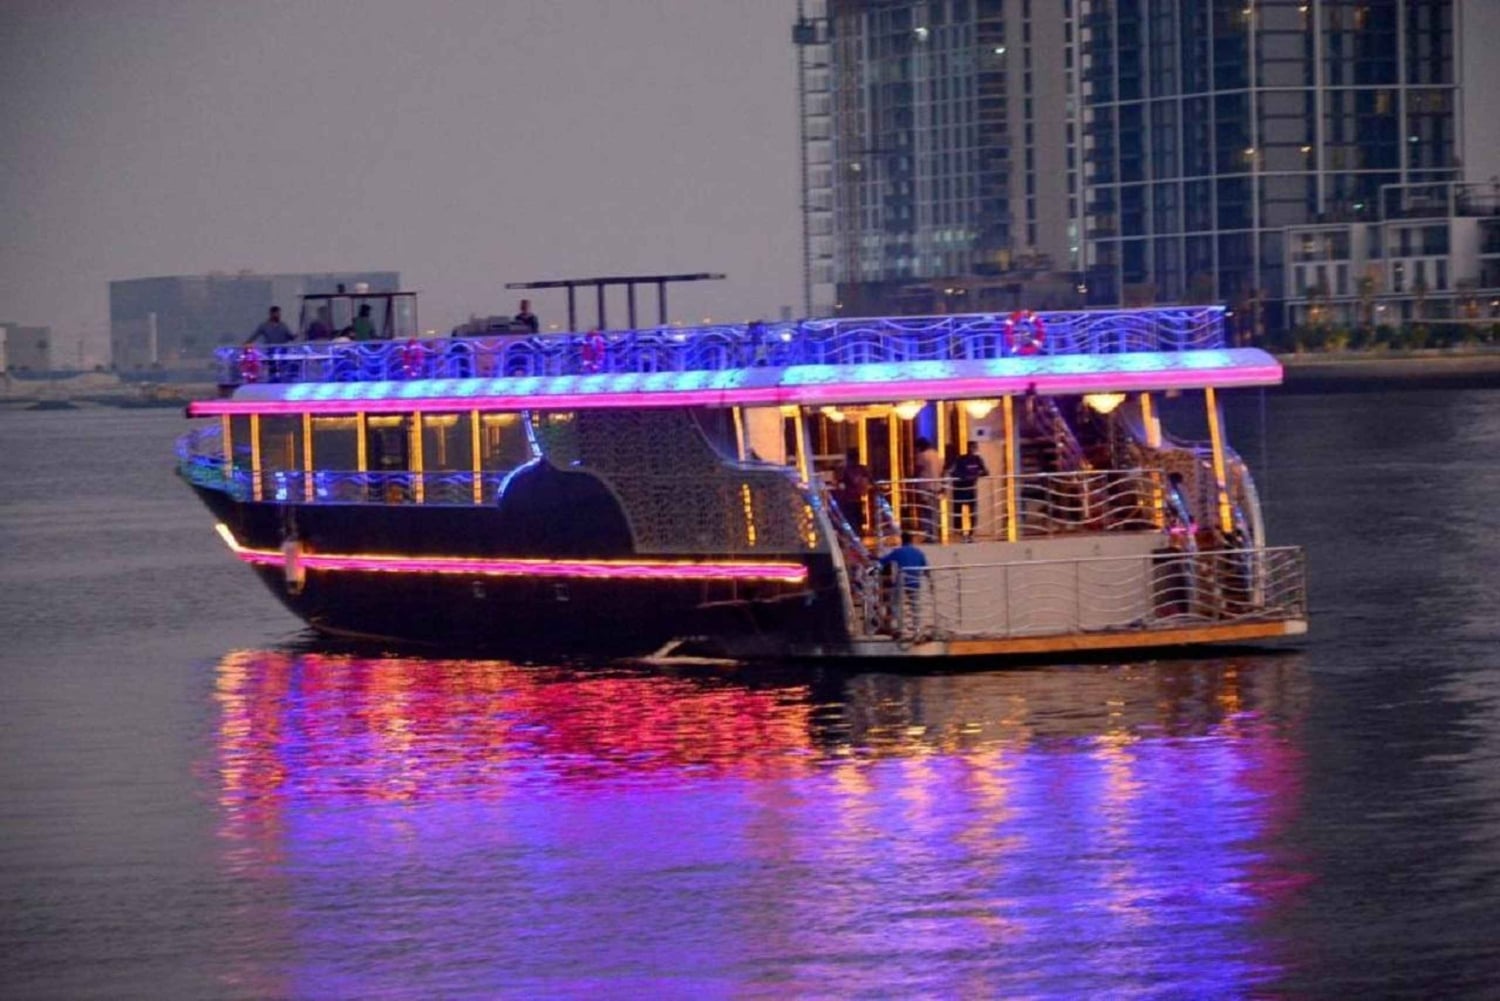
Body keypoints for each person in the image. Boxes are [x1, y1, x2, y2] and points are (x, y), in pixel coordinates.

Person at [878, 531, 928, 632]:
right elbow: (926, 568)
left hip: (901, 581)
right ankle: (916, 627)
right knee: (915, 605)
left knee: (895, 603)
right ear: (911, 540)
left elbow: (883, 561)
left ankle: (900, 626)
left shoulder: (898, 552)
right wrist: (930, 581)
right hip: (915, 581)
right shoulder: (918, 552)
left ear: (902, 540)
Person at [950, 440, 989, 541]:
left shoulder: (977, 459)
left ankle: (971, 532)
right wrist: (964, 477)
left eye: (974, 447)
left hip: (971, 489)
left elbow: (985, 472)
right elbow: (953, 473)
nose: (973, 450)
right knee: (960, 511)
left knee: (972, 511)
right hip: (961, 489)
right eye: (972, 447)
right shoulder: (960, 459)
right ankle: (961, 532)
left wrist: (975, 475)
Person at [247, 305, 295, 381]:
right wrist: (247, 343)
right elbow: (254, 335)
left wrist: (294, 336)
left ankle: (282, 381)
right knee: (272, 369)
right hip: (271, 352)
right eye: (277, 313)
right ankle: (272, 381)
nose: (279, 315)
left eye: (279, 314)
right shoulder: (264, 325)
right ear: (272, 314)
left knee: (283, 368)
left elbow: (290, 337)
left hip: (282, 352)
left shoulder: (283, 325)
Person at [835, 446, 872, 536]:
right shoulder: (857, 469)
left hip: (851, 499)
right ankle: (855, 536)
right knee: (854, 520)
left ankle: (855, 536)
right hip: (852, 499)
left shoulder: (849, 469)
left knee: (854, 520)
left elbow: (839, 482)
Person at [913, 436, 942, 540]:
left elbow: (918, 469)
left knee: (926, 512)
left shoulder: (922, 455)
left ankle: (929, 534)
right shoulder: (936, 454)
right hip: (936, 486)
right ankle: (936, 533)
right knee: (935, 511)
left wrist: (912, 478)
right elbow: (941, 470)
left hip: (926, 486)